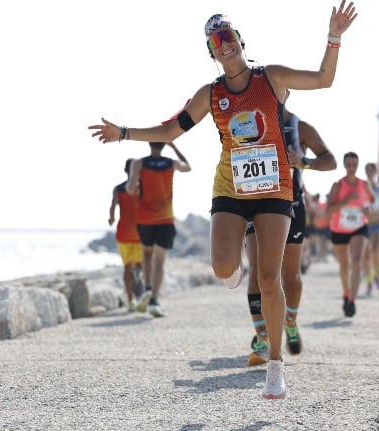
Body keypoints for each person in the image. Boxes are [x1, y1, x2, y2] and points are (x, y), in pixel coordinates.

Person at [88, 2, 358, 400]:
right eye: (216, 42)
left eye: (228, 37)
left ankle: (276, 365)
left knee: (269, 278)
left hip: (273, 189)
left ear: (240, 42)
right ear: (211, 53)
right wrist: (125, 133)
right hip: (231, 186)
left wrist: (334, 37)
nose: (224, 45)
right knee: (223, 267)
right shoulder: (211, 94)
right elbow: (170, 130)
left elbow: (323, 79)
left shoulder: (272, 79)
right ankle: (234, 270)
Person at [244, 111, 336, 367]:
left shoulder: (299, 127)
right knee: (257, 274)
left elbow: (330, 161)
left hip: (291, 206)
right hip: (254, 203)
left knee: (291, 276)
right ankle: (263, 339)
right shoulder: (246, 121)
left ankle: (291, 321)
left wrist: (303, 161)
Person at [129, 142, 191, 318]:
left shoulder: (138, 163)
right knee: (159, 261)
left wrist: (138, 188)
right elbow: (188, 167)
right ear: (164, 145)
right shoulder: (171, 163)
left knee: (147, 254)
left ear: (149, 144)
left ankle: (147, 288)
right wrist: (174, 147)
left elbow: (131, 188)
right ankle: (154, 299)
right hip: (165, 218)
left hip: (145, 218)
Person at [325, 152, 373, 318]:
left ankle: (352, 300)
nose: (352, 168)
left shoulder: (364, 184)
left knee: (357, 260)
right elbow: (328, 211)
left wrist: (368, 208)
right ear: (344, 165)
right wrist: (345, 201)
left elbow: (372, 202)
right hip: (339, 229)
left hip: (359, 226)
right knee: (344, 265)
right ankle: (346, 293)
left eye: (354, 164)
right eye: (349, 164)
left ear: (358, 166)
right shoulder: (337, 185)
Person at [108, 159, 144, 311]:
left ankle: (131, 301)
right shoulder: (142, 188)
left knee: (127, 267)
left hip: (124, 233)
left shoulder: (119, 189)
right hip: (139, 234)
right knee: (138, 266)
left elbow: (112, 206)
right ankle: (135, 293)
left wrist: (111, 218)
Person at [361, 162, 379, 294]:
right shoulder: (362, 186)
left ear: (376, 172)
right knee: (367, 255)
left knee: (376, 250)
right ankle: (370, 280)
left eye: (372, 170)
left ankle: (377, 275)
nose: (370, 172)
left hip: (378, 224)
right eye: (368, 170)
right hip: (365, 224)